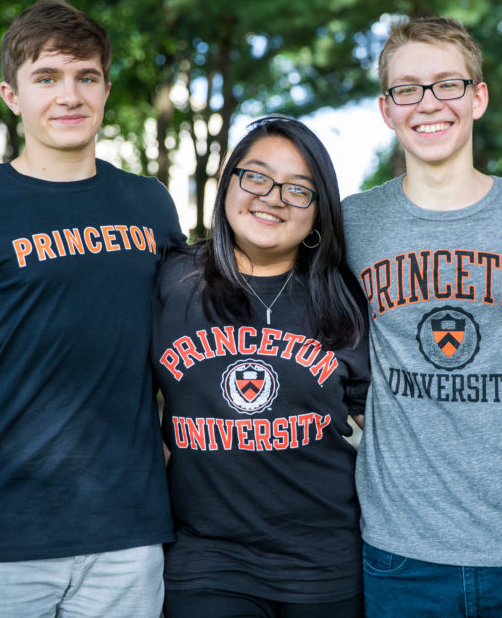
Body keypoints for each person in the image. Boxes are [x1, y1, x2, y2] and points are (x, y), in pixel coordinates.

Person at [0, 0, 185, 618]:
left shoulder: (150, 205)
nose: (69, 95)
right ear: (11, 94)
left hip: (127, 530)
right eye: (47, 78)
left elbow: (183, 353)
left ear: (105, 89)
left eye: (86, 76)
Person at [342, 16, 502, 616]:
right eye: (407, 89)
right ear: (386, 109)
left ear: (478, 97)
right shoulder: (353, 224)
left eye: (447, 84)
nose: (428, 104)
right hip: (402, 552)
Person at [152, 115, 369, 618]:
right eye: (256, 176)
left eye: (299, 189)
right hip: (206, 560)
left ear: (319, 213)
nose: (272, 197)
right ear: (228, 182)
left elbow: (378, 426)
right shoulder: (171, 284)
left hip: (325, 562)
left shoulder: (345, 299)